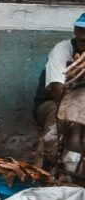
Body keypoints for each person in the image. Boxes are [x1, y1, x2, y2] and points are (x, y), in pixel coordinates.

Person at [35, 13, 85, 159]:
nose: (83, 37)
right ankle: (49, 161)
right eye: (80, 31)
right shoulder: (62, 50)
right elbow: (57, 90)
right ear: (75, 30)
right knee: (59, 113)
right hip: (51, 104)